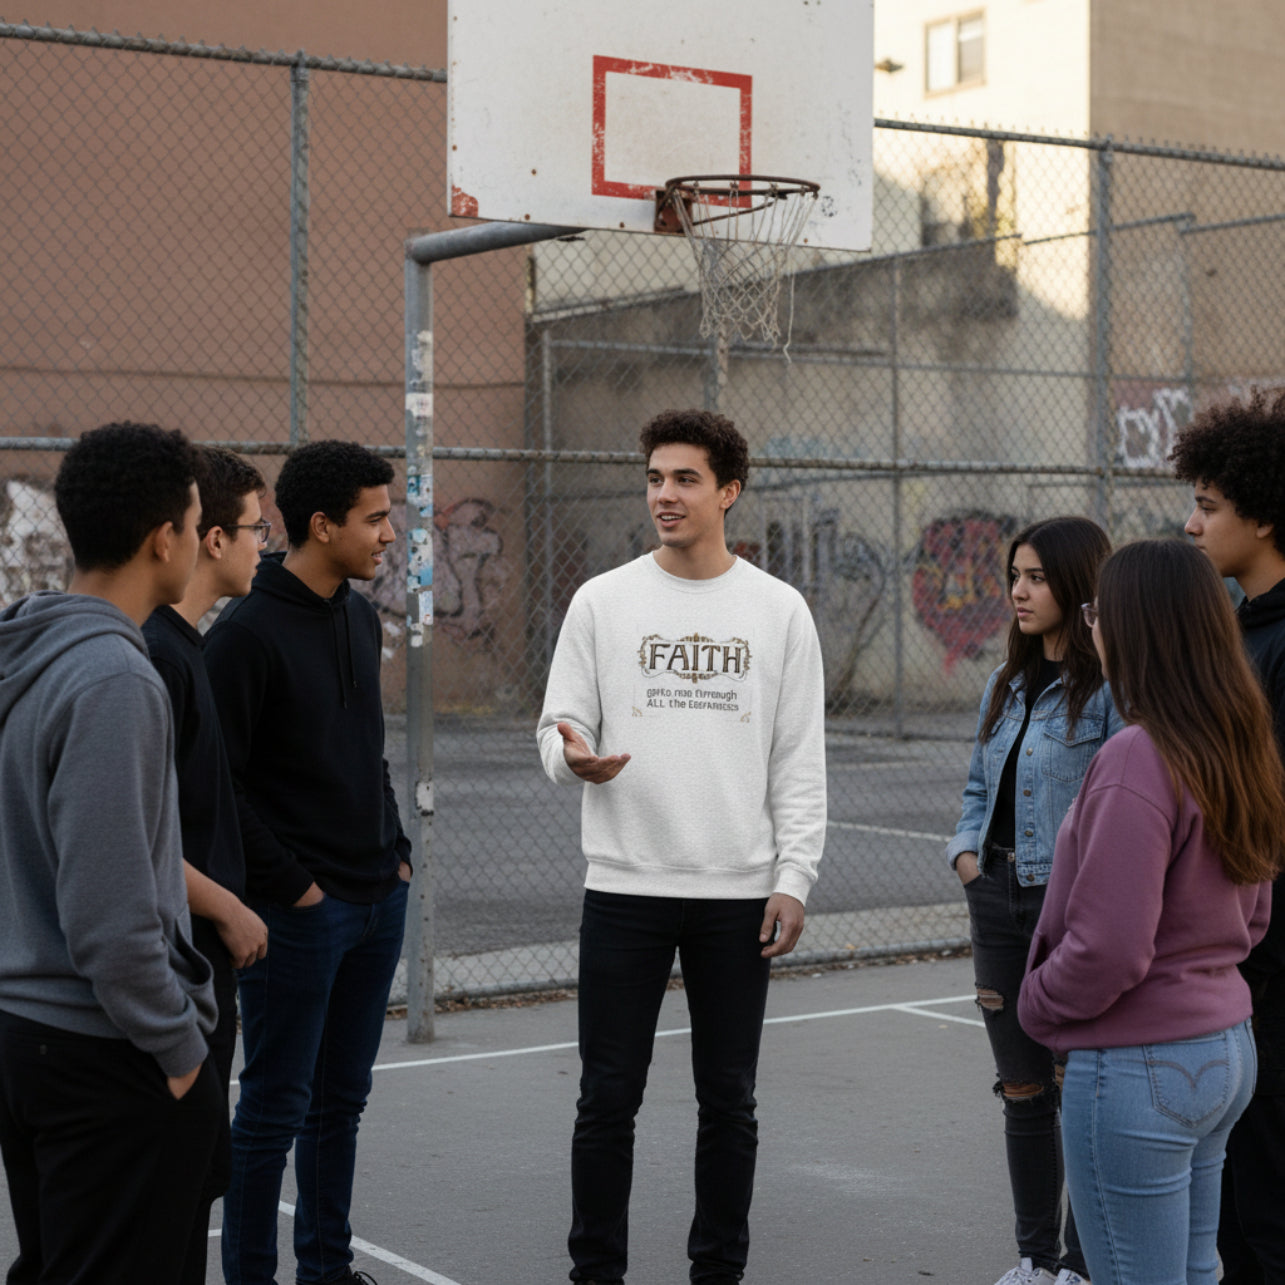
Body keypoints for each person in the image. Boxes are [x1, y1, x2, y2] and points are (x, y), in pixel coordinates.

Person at [536, 408, 826, 1285]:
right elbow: (558, 724)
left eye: (685, 478)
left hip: (739, 892)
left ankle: (717, 1270)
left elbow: (797, 760)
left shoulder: (778, 611)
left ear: (728, 490)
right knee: (605, 1100)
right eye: (655, 477)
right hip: (624, 886)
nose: (664, 493)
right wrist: (571, 758)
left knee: (728, 1102)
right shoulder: (603, 599)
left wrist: (794, 877)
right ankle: (596, 1272)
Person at [1019, 538, 1285, 1285]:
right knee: (1193, 1271)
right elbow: (1255, 909)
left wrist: (1034, 1005)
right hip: (1223, 1049)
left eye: (1101, 611)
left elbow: (1109, 946)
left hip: (1140, 1063)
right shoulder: (1236, 743)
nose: (1093, 626)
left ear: (1137, 626)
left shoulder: (1138, 755)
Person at [0, 421, 222, 1283]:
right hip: (104, 1052)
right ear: (162, 537)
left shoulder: (30, 652)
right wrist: (179, 1055)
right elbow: (110, 920)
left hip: (30, 1040)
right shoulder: (114, 680)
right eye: (195, 522)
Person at [205, 439, 412, 1285]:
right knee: (273, 1110)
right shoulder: (245, 633)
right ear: (322, 526)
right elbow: (220, 784)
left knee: (342, 1104)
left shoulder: (359, 616)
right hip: (300, 916)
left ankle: (326, 1269)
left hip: (375, 901)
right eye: (374, 518)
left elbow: (368, 753)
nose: (389, 533)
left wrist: (395, 854)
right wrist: (297, 887)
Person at [947, 515, 1121, 1285]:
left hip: (1067, 903)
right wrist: (963, 852)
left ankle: (1080, 1268)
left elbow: (1128, 800)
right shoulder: (1004, 681)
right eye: (1013, 575)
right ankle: (1034, 1261)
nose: (1017, 590)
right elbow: (979, 785)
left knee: (1077, 1089)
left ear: (1078, 585)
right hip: (995, 897)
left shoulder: (1114, 690)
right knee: (1021, 1091)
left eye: (1037, 577)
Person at [143, 444, 272, 1285]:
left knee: (193, 1192)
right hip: (171, 973)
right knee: (161, 1205)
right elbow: (137, 833)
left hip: (201, 966)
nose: (268, 546)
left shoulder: (190, 645)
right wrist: (226, 905)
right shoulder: (153, 656)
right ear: (209, 538)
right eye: (259, 530)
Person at [1171, 386, 1285, 1285]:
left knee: (1266, 1188)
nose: (1192, 522)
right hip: (1238, 954)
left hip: (1269, 956)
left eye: (1208, 506)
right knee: (1231, 1187)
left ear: (1266, 511)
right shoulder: (1239, 632)